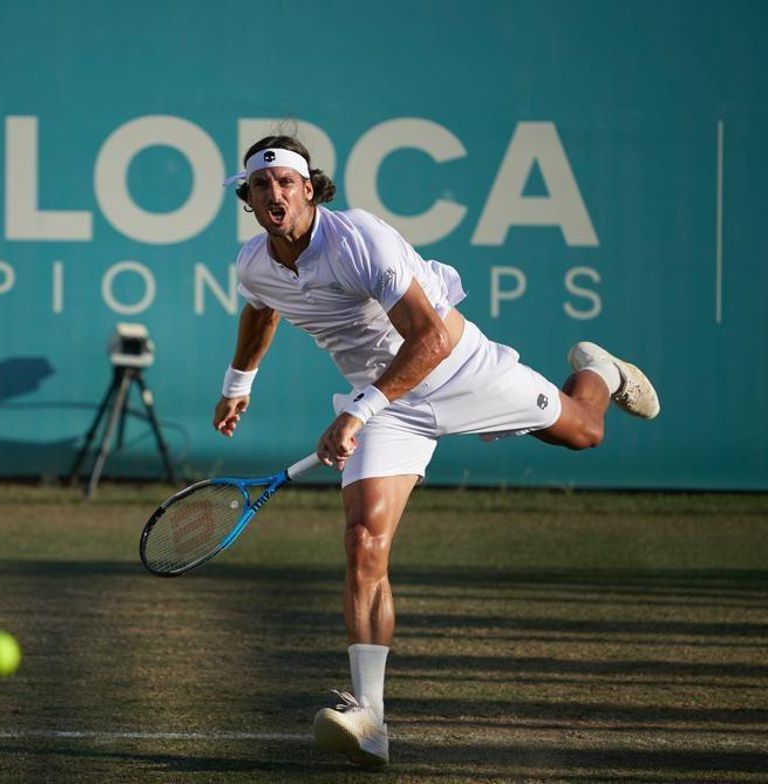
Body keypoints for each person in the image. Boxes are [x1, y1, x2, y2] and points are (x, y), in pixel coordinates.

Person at [213, 136, 659, 769]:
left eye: (287, 182)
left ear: (309, 189)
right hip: (386, 403)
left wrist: (359, 412)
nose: (275, 195)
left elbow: (428, 338)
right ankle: (370, 719)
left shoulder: (360, 238)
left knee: (585, 430)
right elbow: (263, 310)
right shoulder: (253, 263)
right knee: (364, 540)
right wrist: (239, 385)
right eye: (262, 187)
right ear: (249, 199)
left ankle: (598, 369)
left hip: (458, 368)